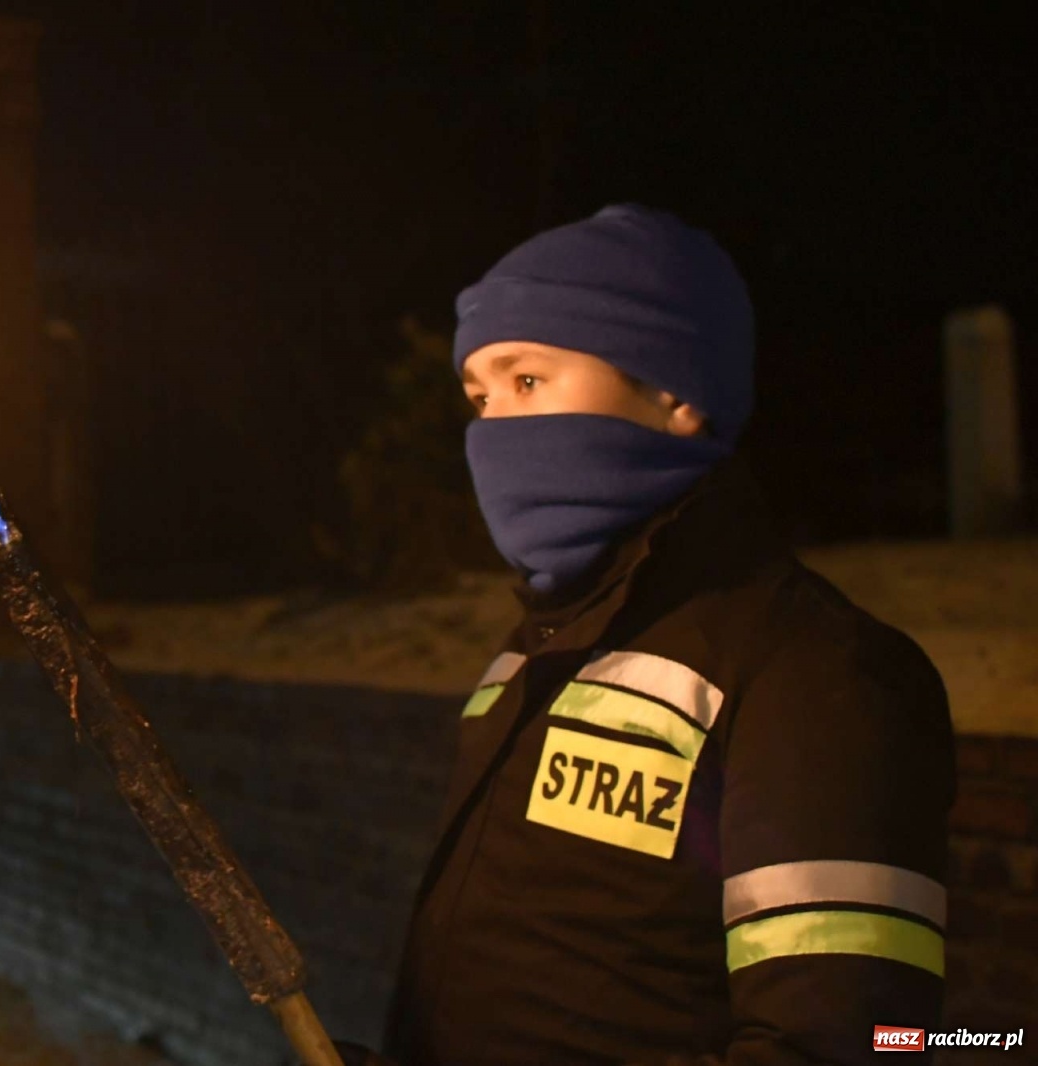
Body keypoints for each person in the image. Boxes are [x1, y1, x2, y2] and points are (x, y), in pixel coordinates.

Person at [346, 205, 955, 1065]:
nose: (492, 431)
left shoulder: (816, 670)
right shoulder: (531, 652)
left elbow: (850, 1044)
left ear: (676, 395)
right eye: (478, 397)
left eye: (527, 382)